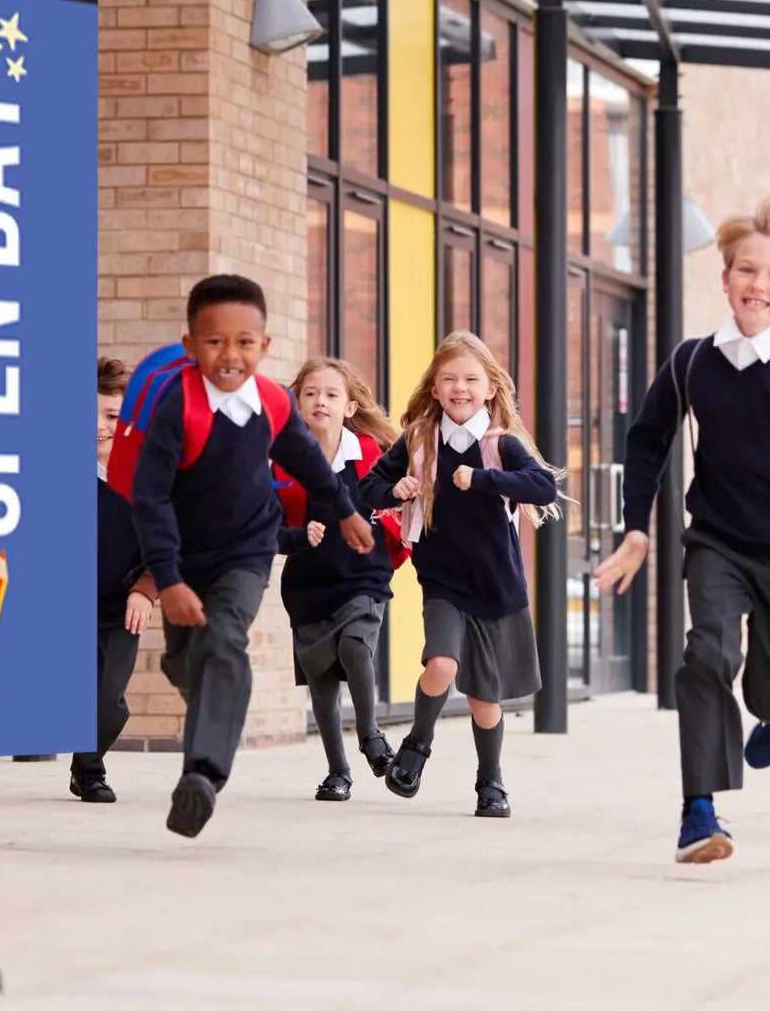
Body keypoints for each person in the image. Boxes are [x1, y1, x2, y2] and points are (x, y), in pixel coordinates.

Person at [592, 197, 770, 865]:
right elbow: (648, 439)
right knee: (706, 654)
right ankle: (699, 810)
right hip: (716, 542)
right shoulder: (692, 362)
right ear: (726, 276)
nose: (757, 285)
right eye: (745, 269)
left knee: (767, 686)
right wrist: (637, 527)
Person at [129, 274, 376, 838]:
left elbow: (308, 461)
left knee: (223, 640)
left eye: (245, 342)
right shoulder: (176, 407)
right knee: (185, 660)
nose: (230, 354)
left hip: (247, 549)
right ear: (190, 346)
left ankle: (202, 775)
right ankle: (213, 693)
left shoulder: (269, 401)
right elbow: (150, 498)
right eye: (215, 342)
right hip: (184, 556)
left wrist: (344, 509)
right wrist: (166, 579)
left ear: (264, 346)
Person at [358, 331, 562, 818]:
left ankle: (490, 783)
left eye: (471, 379)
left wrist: (484, 480)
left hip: (496, 585)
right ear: (433, 388)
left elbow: (543, 487)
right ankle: (417, 746)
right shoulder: (418, 441)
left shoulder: (500, 444)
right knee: (442, 665)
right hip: (443, 581)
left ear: (490, 387)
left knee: (482, 698)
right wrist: (396, 490)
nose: (460, 388)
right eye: (448, 379)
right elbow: (368, 487)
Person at [273, 357, 401, 801]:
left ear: (349, 406)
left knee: (353, 644)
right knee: (322, 682)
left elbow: (397, 506)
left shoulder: (370, 454)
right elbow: (265, 527)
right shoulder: (282, 461)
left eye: (331, 394)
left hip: (364, 574)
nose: (320, 401)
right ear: (297, 403)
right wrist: (295, 537)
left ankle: (370, 735)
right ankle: (337, 772)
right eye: (310, 393)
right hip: (308, 581)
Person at [71, 358, 160, 803]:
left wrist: (146, 589)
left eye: (112, 416)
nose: (100, 427)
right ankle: (91, 772)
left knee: (109, 701)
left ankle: (83, 759)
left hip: (119, 602)